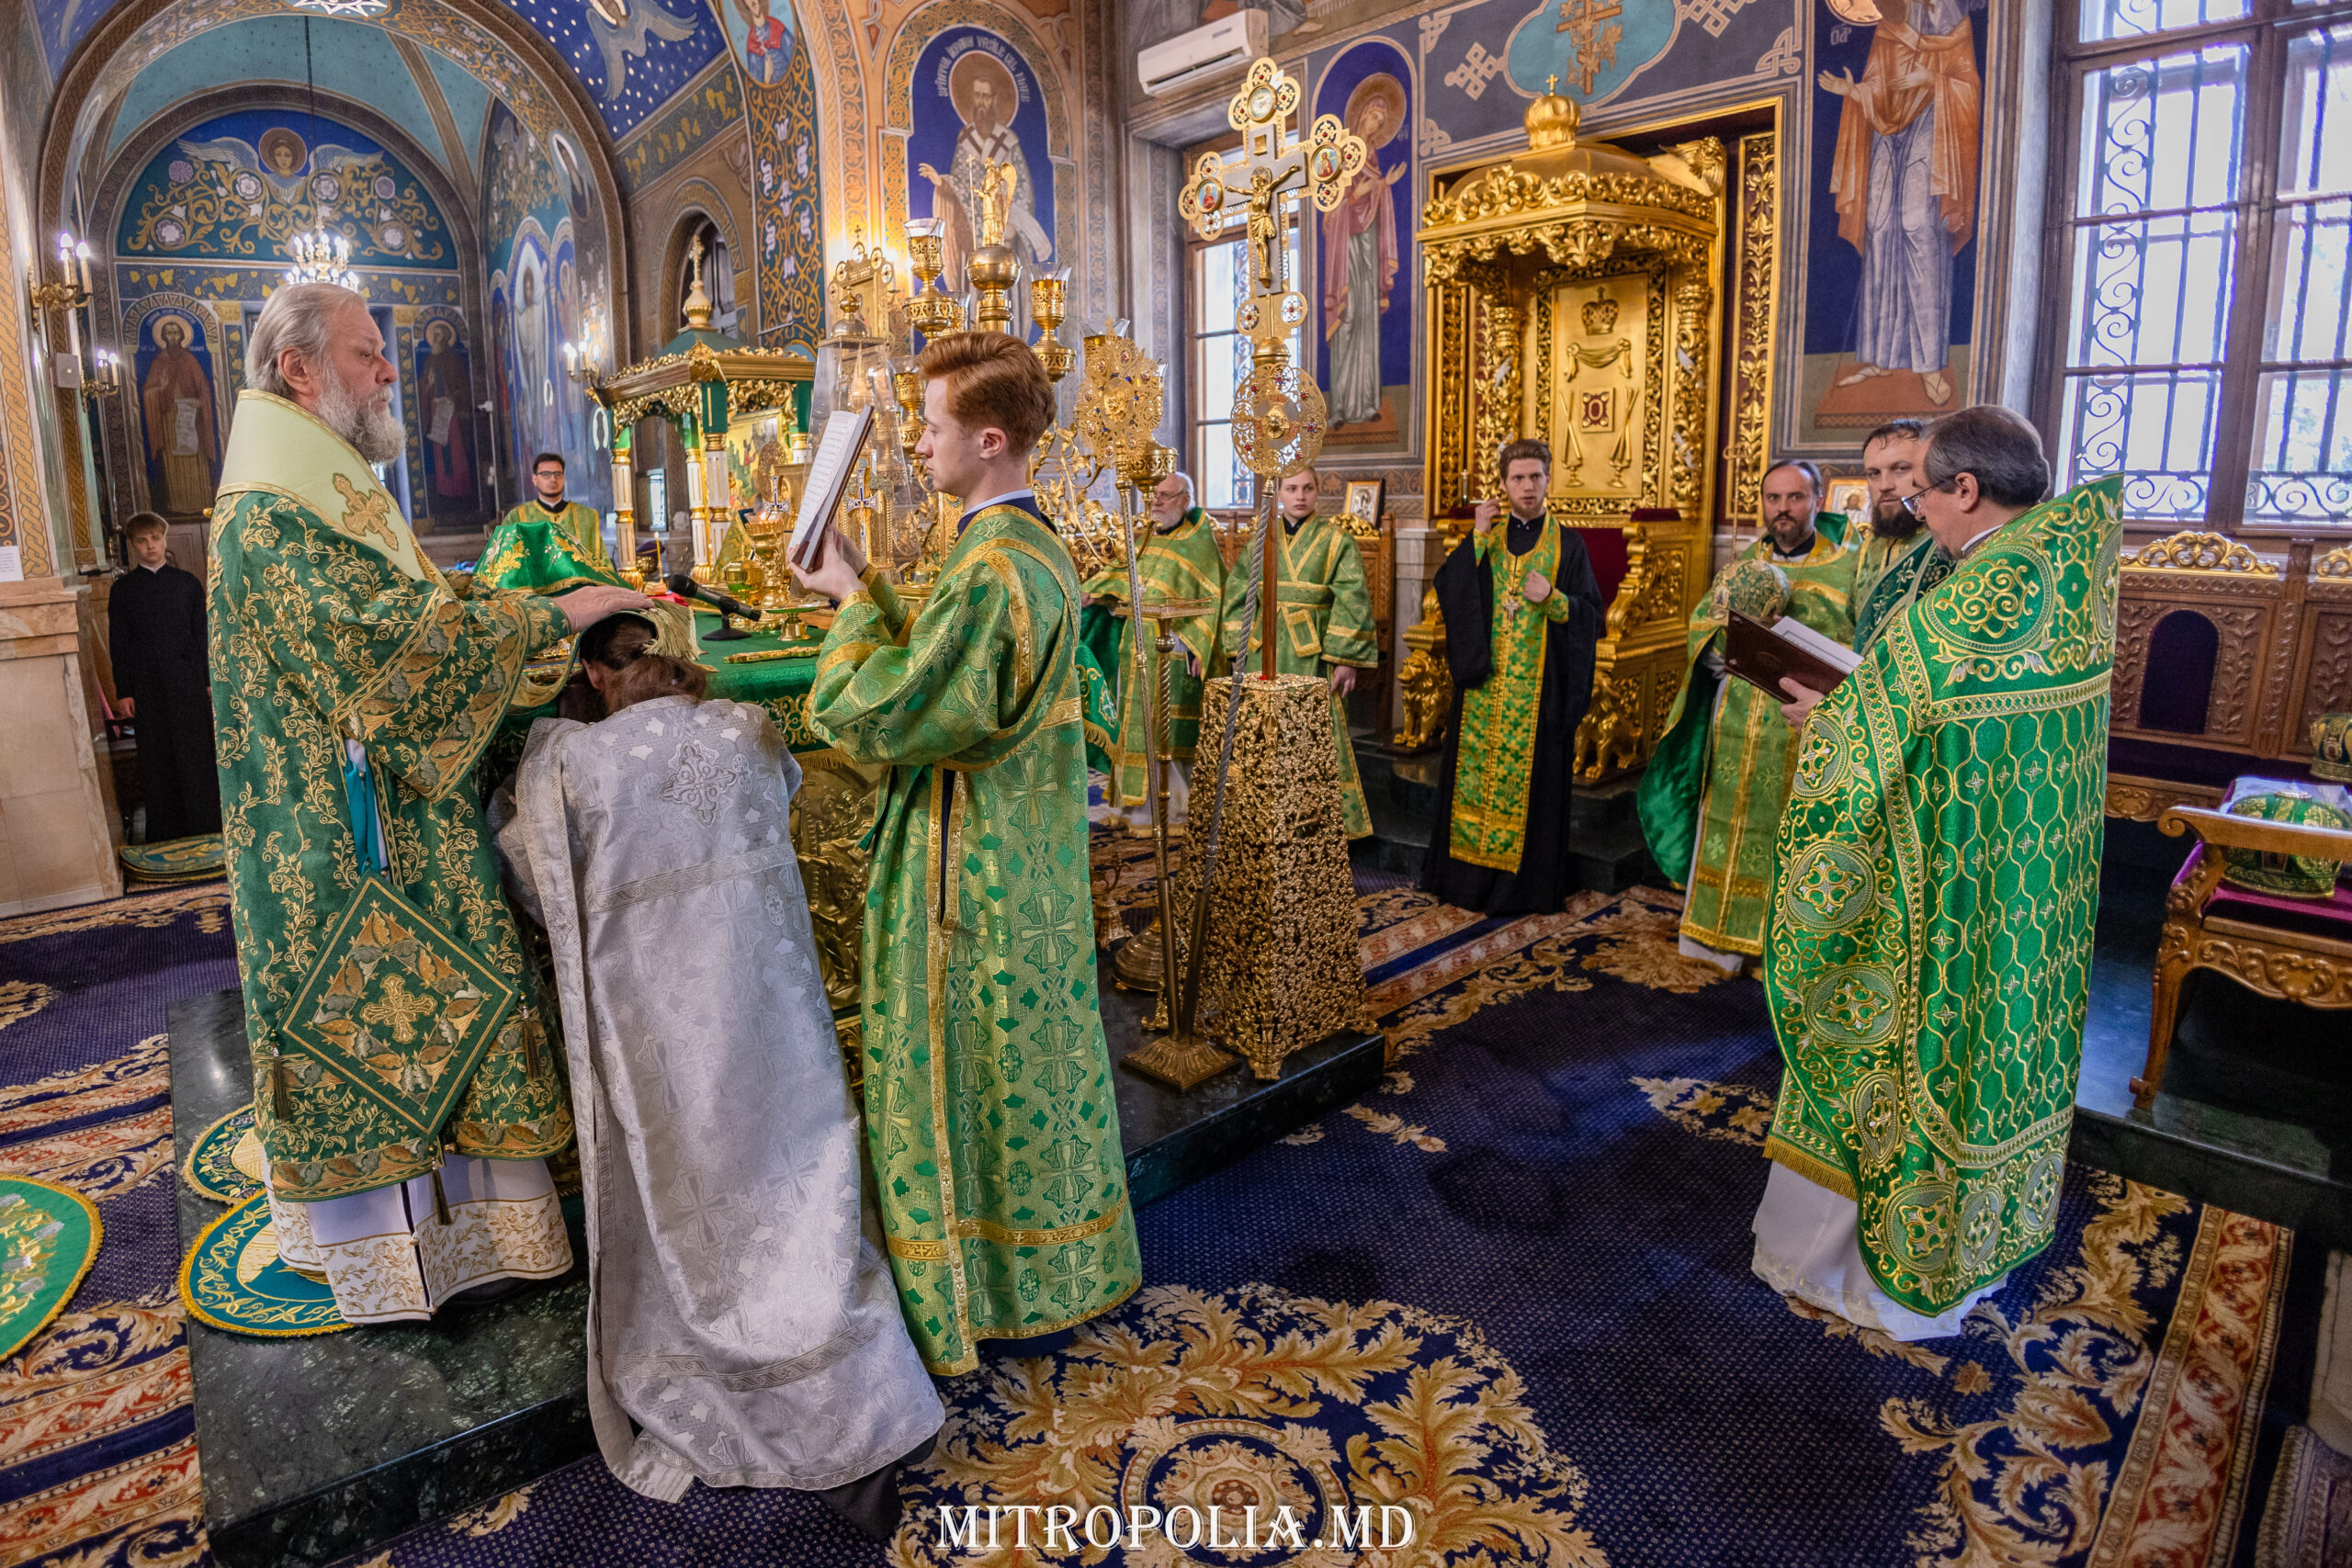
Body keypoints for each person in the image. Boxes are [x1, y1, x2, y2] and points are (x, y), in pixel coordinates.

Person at [209, 281, 649, 1324]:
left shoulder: (319, 491)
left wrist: (527, 604)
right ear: (298, 370)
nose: (387, 373)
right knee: (388, 1026)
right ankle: (406, 1255)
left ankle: (480, 1233)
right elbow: (386, 647)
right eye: (366, 353)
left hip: (401, 825)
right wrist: (547, 622)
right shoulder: (269, 517)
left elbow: (416, 600)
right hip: (344, 852)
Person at [493, 614, 943, 1535]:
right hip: (774, 1014)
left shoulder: (574, 765)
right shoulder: (750, 728)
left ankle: (774, 1398)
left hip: (664, 1031)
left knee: (695, 1196)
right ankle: (861, 1387)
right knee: (804, 1181)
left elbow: (534, 885)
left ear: (595, 672)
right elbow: (786, 792)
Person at [793, 331, 1139, 1375]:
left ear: (990, 440)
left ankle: (973, 1291)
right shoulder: (1028, 548)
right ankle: (1055, 1270)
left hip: (971, 864)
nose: (916, 446)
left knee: (973, 1070)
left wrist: (846, 608)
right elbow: (957, 660)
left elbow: (894, 707)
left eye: (932, 427)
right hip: (1028, 859)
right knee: (1030, 1064)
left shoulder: (992, 565)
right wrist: (867, 582)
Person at [1755, 406, 2119, 1339]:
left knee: (1911, 1044)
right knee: (1993, 1046)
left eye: (1922, 494)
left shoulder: (1978, 594)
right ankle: (1978, 1246)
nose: (1915, 512)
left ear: (1965, 488)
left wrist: (1826, 722)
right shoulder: (2067, 566)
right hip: (2027, 884)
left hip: (1945, 887)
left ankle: (1863, 1271)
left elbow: (1889, 733)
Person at [1635, 460, 1855, 971]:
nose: (1783, 509)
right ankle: (1716, 941)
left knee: (1787, 834)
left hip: (1798, 728)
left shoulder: (1846, 567)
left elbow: (1852, 646)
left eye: (1795, 497)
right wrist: (1725, 642)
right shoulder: (1743, 566)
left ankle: (1779, 951)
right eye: (1773, 498)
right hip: (1734, 721)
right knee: (1724, 827)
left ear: (1818, 501)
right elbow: (1703, 628)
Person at [1418, 440, 1604, 915]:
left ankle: (1521, 891)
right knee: (1472, 785)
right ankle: (1466, 883)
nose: (1527, 486)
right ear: (1503, 483)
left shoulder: (1569, 545)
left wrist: (1554, 599)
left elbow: (1592, 618)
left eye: (1535, 477)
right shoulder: (1488, 538)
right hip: (1483, 690)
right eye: (1517, 478)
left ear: (1548, 480)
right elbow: (1450, 591)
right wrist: (1477, 537)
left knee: (1532, 790)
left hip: (1539, 696)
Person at [1819, 0, 1982, 408]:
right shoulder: (1887, 30)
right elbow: (1879, 86)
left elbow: (1968, 88)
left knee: (1918, 228)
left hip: (1932, 125)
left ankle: (1929, 365)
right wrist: (1854, 91)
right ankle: (1882, 357)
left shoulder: (1954, 30)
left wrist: (1935, 81)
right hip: (1885, 136)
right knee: (1879, 230)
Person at [1216, 466, 1381, 839]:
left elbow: (1352, 598)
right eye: (1292, 489)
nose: (1300, 496)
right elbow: (1239, 593)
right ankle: (1257, 817)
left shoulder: (1337, 540)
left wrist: (1343, 659)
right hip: (1262, 649)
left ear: (1318, 491)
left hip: (1313, 651)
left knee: (1312, 734)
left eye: (1308, 488)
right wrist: (1235, 646)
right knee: (1258, 731)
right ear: (1279, 493)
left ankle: (1316, 822)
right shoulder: (1262, 538)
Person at [1083, 470, 1225, 832]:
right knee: (1130, 728)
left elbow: (1214, 599)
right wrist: (1096, 593)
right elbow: (1123, 577)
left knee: (1164, 730)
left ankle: (1171, 810)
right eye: (1155, 495)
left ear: (1185, 500)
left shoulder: (1198, 543)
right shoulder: (1146, 538)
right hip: (1134, 643)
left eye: (1166, 495)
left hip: (1173, 647)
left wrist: (1201, 648)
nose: (1157, 502)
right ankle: (1129, 809)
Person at [108, 512, 220, 840]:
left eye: (156, 539)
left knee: (196, 754)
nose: (150, 546)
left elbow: (202, 635)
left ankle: (207, 824)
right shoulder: (123, 590)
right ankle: (167, 832)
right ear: (132, 545)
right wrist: (124, 690)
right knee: (158, 757)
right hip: (148, 686)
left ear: (165, 539)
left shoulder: (187, 583)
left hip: (188, 683)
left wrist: (209, 680)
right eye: (142, 541)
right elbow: (119, 644)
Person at [1848, 419, 1955, 653]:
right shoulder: (1868, 548)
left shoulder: (1950, 543)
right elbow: (1850, 633)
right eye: (1874, 473)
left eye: (1901, 469)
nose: (1884, 485)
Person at [477, 452, 618, 594]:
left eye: (558, 474)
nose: (553, 479)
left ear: (563, 477)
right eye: (545, 474)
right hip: (535, 597)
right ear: (534, 479)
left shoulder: (586, 516)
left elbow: (602, 563)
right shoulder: (517, 517)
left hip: (581, 593)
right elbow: (501, 564)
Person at [141, 316, 220, 514]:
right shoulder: (159, 362)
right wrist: (160, 389)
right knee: (174, 459)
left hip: (191, 417)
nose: (173, 337)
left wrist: (201, 402)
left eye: (176, 333)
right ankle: (177, 505)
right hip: (169, 420)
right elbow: (148, 391)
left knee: (194, 456)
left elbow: (204, 388)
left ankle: (202, 503)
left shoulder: (190, 360)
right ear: (163, 336)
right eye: (169, 333)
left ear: (183, 335)